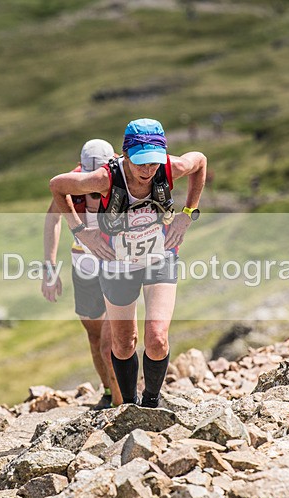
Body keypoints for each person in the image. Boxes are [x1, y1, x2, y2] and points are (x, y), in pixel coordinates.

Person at [50, 118, 206, 408]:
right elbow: (57, 186)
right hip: (118, 265)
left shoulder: (170, 167)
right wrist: (82, 232)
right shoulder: (104, 178)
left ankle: (151, 403)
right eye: (141, 162)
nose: (148, 170)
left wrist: (188, 213)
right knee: (123, 343)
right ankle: (128, 405)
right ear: (126, 155)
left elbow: (199, 161)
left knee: (157, 338)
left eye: (154, 162)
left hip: (160, 257)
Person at [42, 139, 123, 410]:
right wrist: (50, 267)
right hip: (84, 267)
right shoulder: (72, 183)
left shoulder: (121, 180)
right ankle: (110, 390)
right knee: (95, 336)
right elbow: (52, 219)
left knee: (112, 341)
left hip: (116, 266)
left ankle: (126, 396)